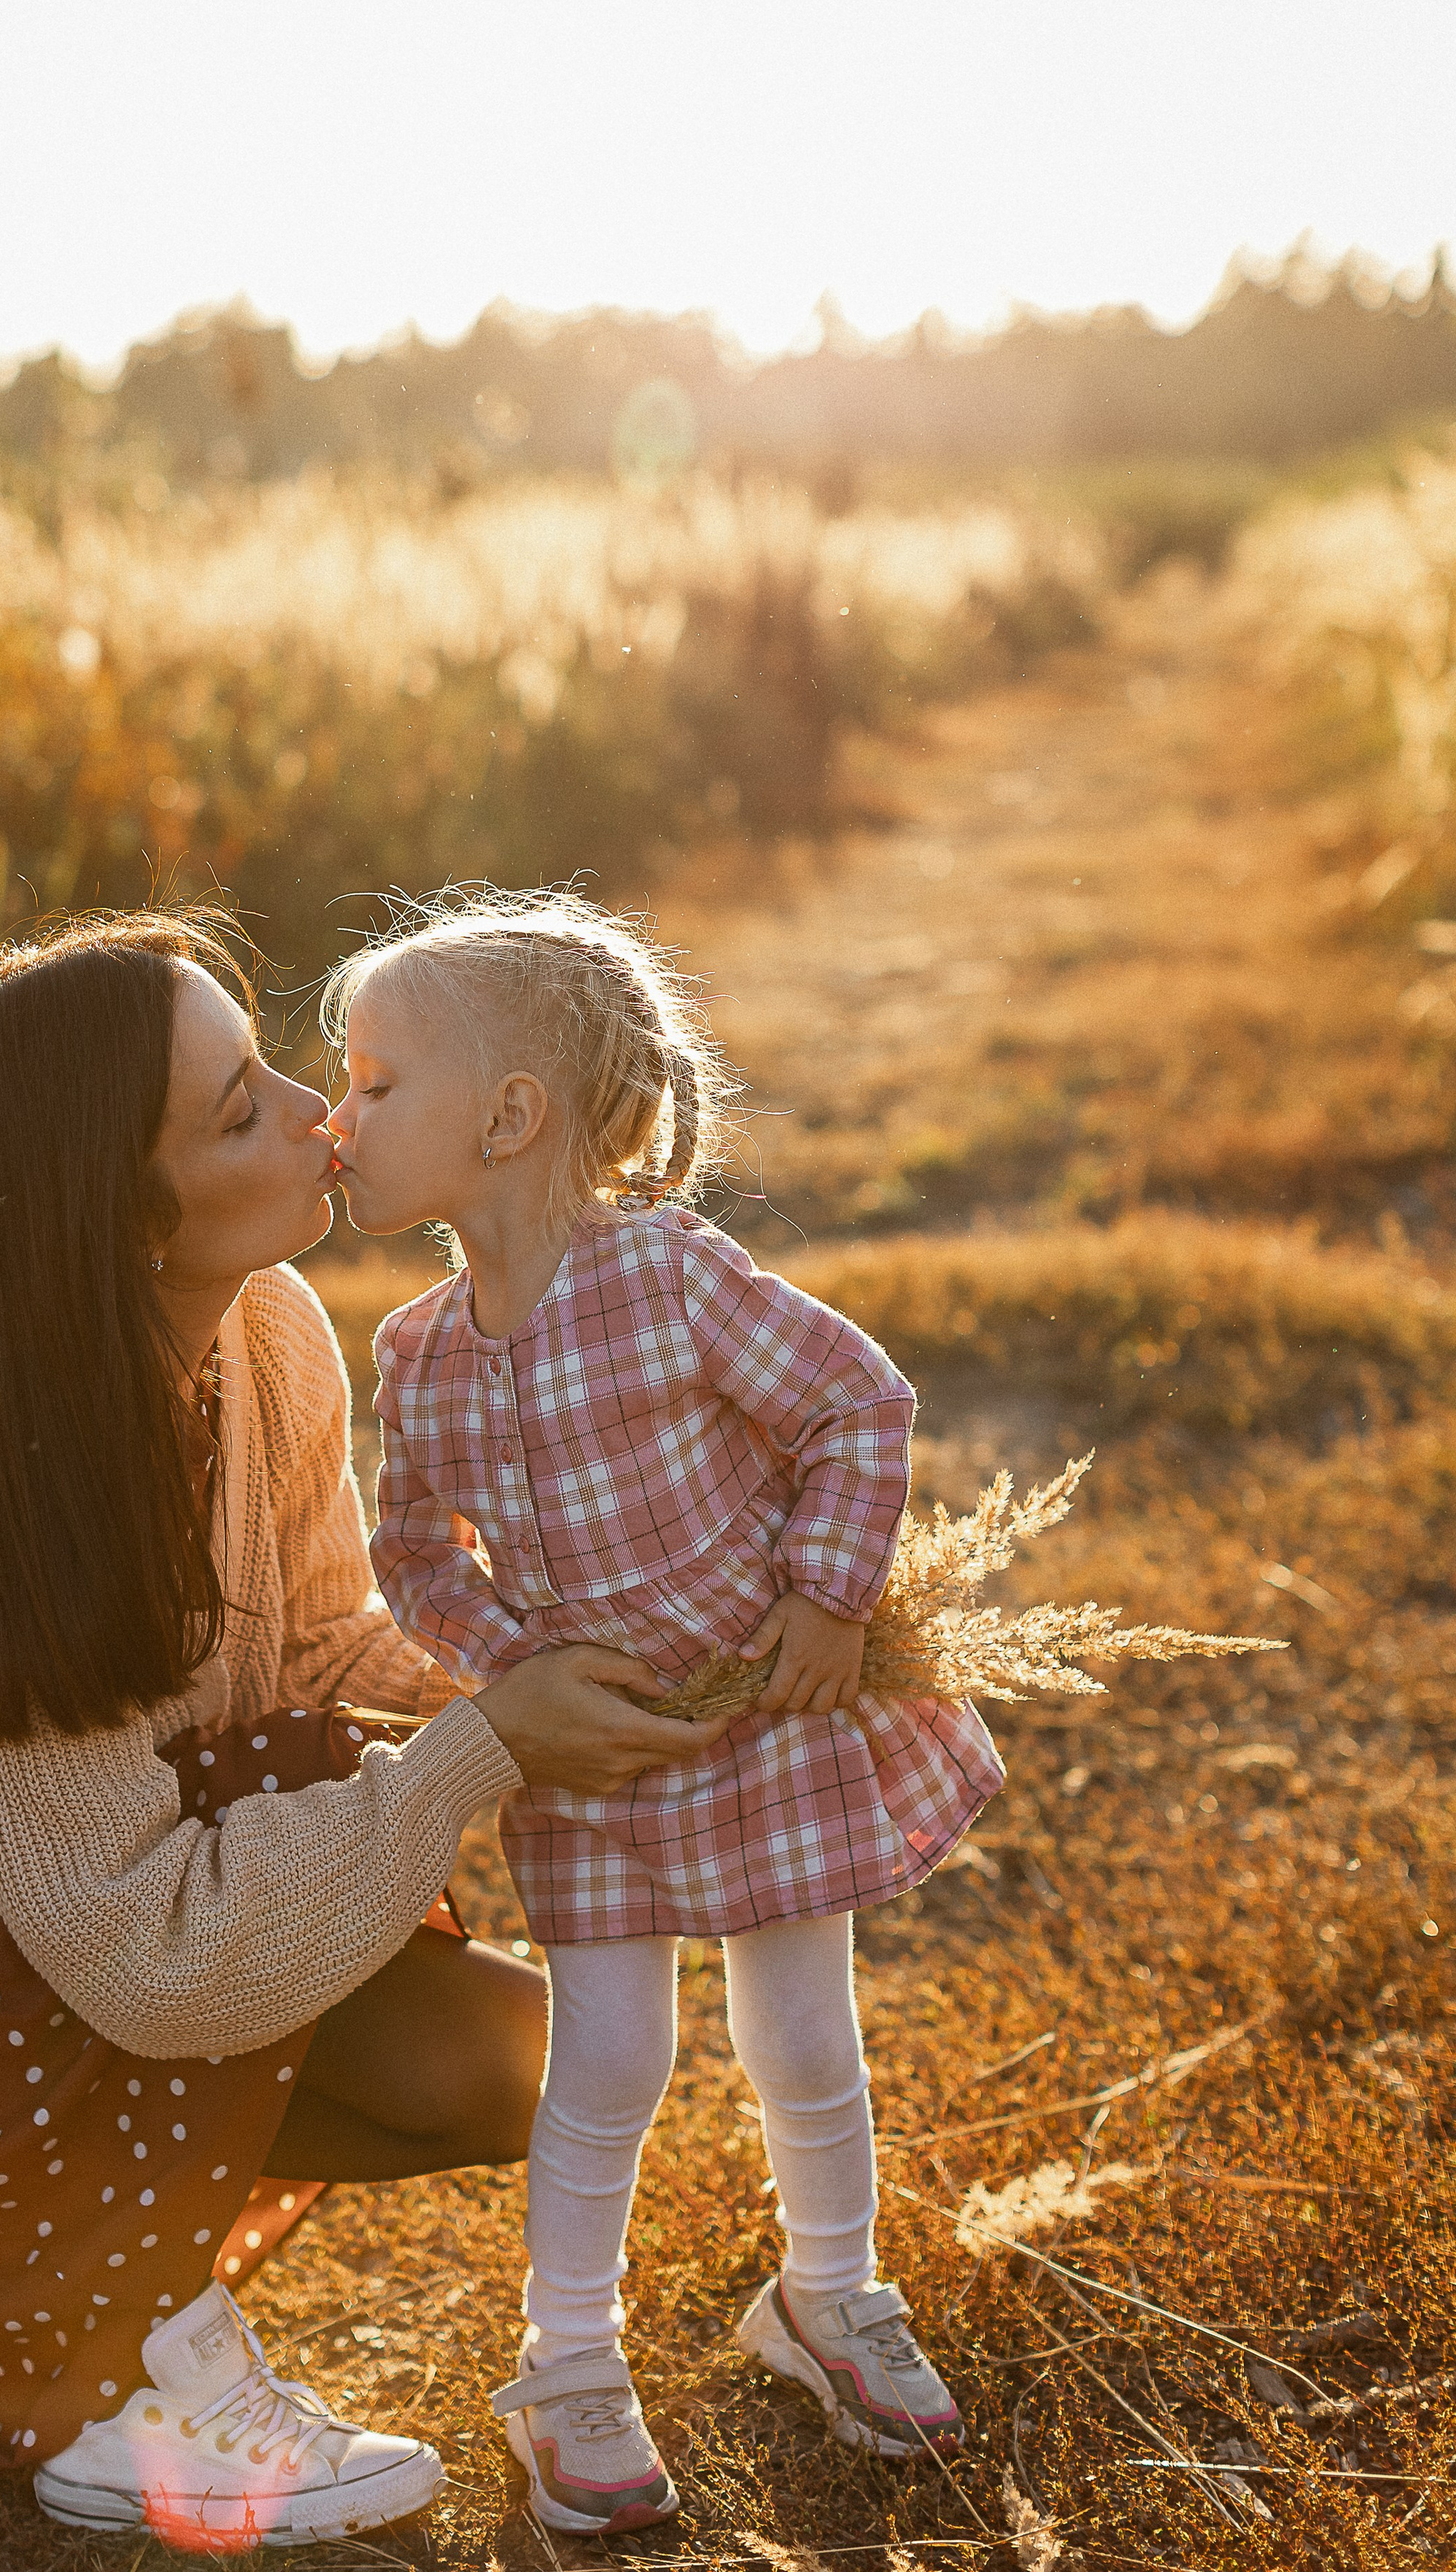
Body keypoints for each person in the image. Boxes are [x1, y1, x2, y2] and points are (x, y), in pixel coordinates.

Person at [0, 910, 727, 2554]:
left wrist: (600, 1674)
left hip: (37, 1923)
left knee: (500, 2064)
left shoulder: (265, 1332)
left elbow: (323, 1651)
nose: (318, 1114)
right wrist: (489, 1746)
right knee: (274, 1822)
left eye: (275, 1067)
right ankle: (128, 2371)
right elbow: (143, 1953)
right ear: (115, 1223)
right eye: (241, 1113)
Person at [324, 891, 1005, 2533]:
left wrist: (829, 1597)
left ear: (507, 1118)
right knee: (610, 2057)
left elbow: (858, 1400)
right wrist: (511, 1670)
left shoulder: (672, 1277)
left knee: (803, 2031)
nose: (336, 1121)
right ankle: (568, 2363)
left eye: (373, 1084)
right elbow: (411, 1551)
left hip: (768, 1721)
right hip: (592, 1763)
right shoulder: (416, 1353)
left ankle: (826, 2294)